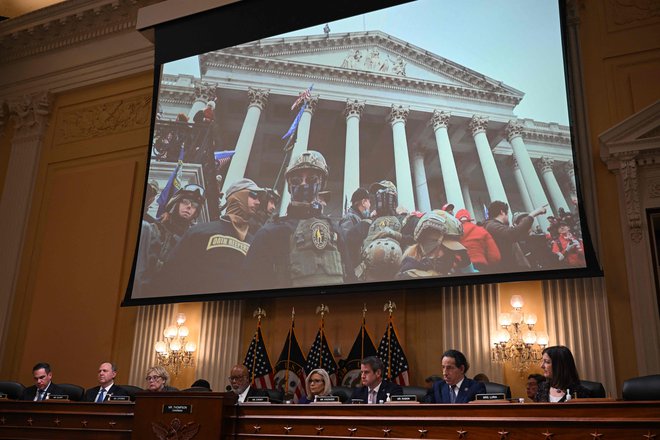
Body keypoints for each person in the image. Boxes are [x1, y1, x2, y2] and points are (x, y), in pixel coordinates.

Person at [244, 151, 347, 290]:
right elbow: (252, 283)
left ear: (321, 183)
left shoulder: (335, 231)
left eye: (312, 179)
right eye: (296, 181)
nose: (304, 184)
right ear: (289, 186)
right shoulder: (270, 233)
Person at [157, 179, 263, 295]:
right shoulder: (200, 232)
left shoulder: (255, 243)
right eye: (253, 195)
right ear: (238, 196)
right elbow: (171, 273)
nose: (258, 202)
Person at [136, 183, 206, 295]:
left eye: (194, 206)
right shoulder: (154, 230)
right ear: (176, 203)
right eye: (185, 202)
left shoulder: (192, 244)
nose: (189, 207)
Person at [398, 210, 474, 278]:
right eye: (446, 249)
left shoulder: (446, 271)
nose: (450, 254)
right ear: (428, 246)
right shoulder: (411, 276)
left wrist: (465, 261)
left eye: (453, 250)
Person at [355, 181, 405, 282]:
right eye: (378, 193)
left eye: (384, 191)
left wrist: (396, 235)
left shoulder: (403, 220)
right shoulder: (367, 223)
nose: (380, 195)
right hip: (369, 276)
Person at [483, 200, 547, 272]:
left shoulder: (492, 226)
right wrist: (532, 215)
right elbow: (512, 234)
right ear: (502, 212)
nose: (508, 217)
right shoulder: (491, 226)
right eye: (507, 214)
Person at [339, 187, 371, 276]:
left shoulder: (358, 218)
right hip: (354, 270)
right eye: (369, 202)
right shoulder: (349, 218)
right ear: (364, 202)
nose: (370, 205)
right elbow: (346, 244)